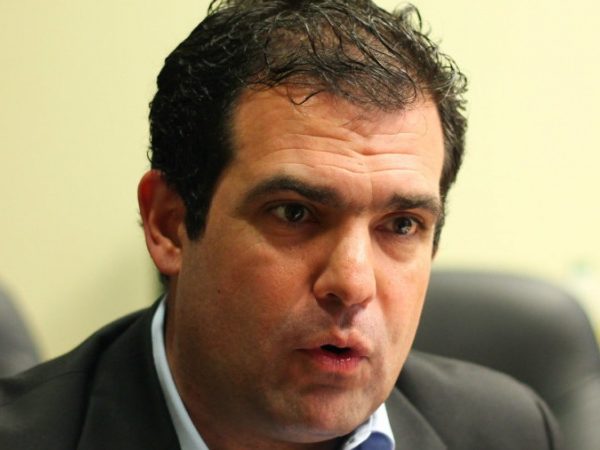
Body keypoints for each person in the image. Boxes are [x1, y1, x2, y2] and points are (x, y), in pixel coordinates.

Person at [0, 0, 561, 449]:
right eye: (295, 213)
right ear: (170, 225)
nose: (353, 283)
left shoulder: (510, 432)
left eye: (401, 225)